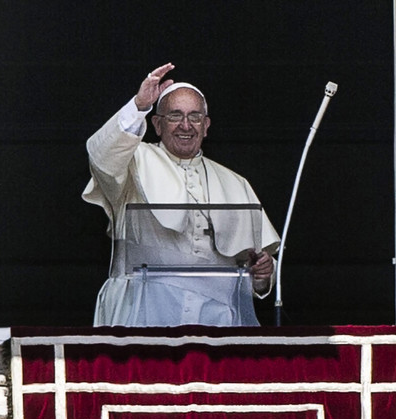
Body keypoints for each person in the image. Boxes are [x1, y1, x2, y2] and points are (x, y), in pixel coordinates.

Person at [83, 62, 280, 326]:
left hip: (216, 317)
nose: (185, 125)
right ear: (157, 124)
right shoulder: (132, 162)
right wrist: (139, 105)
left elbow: (256, 261)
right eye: (175, 116)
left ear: (206, 125)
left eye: (195, 117)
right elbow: (100, 156)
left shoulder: (235, 182)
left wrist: (264, 274)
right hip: (143, 311)